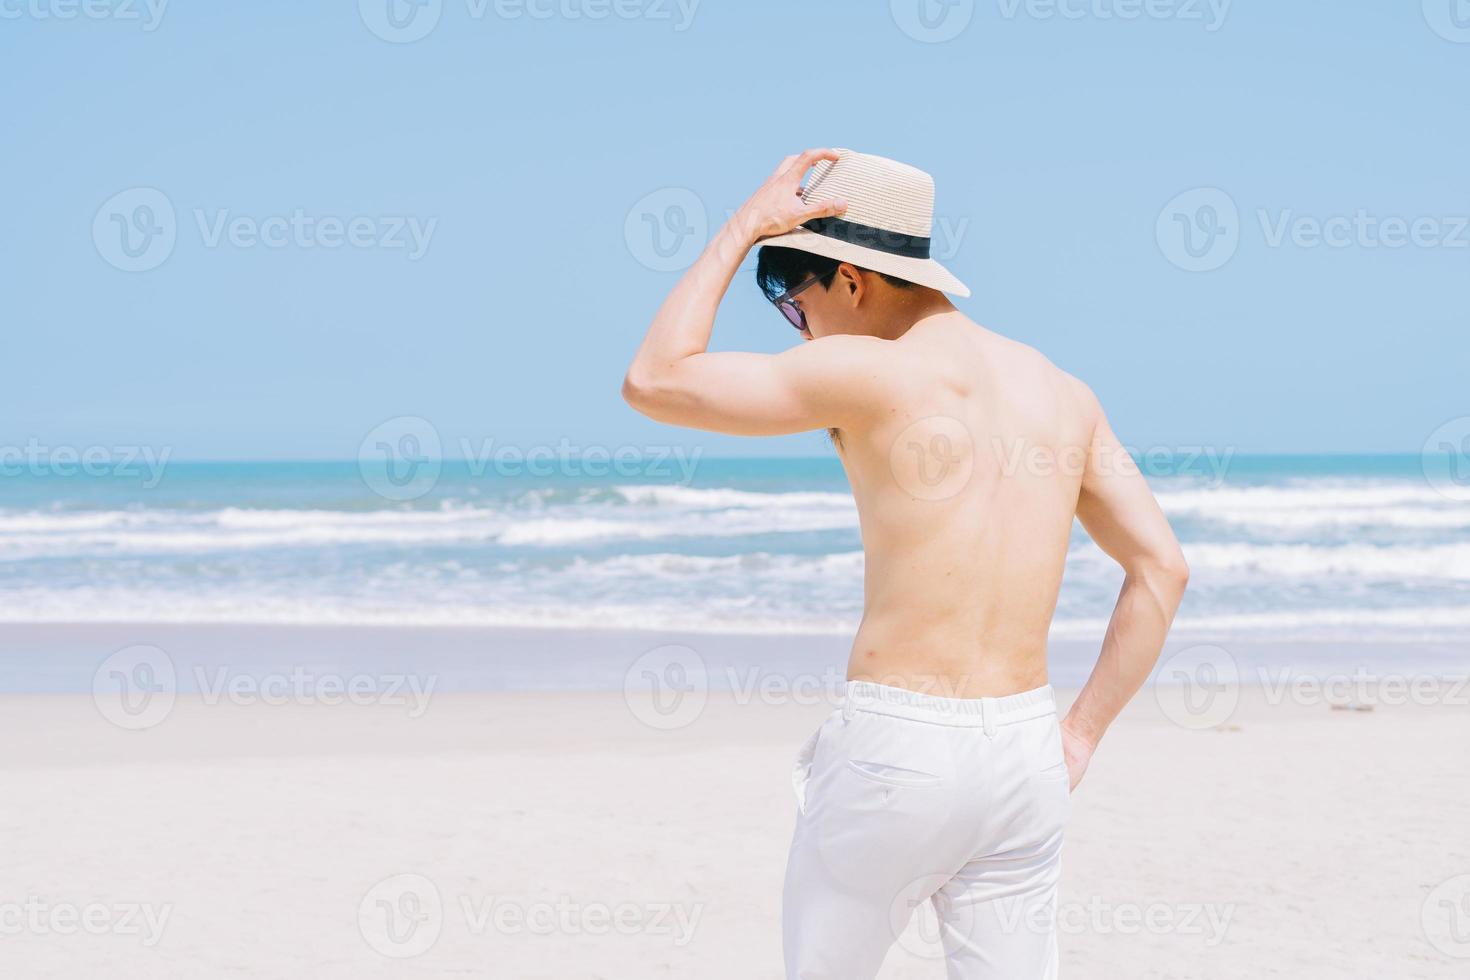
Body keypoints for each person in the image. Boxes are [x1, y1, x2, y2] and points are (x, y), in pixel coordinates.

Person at [622, 147, 1189, 980]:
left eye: (794, 303)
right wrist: (1080, 736)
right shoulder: (1062, 391)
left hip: (899, 748)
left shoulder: (868, 372)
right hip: (1027, 754)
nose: (801, 330)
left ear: (852, 280)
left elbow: (653, 379)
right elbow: (1161, 569)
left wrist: (745, 226)